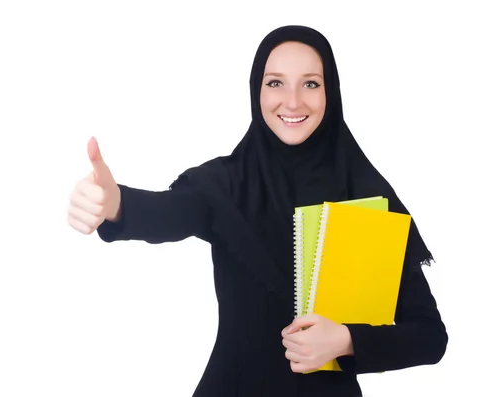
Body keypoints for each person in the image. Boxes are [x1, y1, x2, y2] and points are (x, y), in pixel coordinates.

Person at [67, 25, 448, 397]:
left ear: (331, 92)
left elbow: (429, 337)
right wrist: (115, 203)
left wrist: (346, 340)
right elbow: (167, 211)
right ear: (257, 91)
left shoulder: (367, 198)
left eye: (311, 83)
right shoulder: (224, 185)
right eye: (275, 83)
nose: (293, 101)